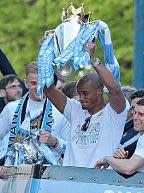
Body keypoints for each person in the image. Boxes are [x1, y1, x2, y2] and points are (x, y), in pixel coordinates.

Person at [44, 41, 128, 169]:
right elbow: (48, 89)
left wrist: (92, 60)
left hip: (98, 181)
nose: (81, 98)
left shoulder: (114, 112)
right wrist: (46, 53)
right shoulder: (75, 109)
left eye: (85, 93)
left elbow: (114, 88)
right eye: (79, 93)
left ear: (100, 91)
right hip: (69, 180)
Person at [0, 62, 67, 176]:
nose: (39, 87)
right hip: (14, 176)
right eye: (33, 83)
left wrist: (55, 142)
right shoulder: (12, 108)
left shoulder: (61, 110)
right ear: (26, 83)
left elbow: (72, 149)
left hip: (47, 177)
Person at [95, 97, 144, 175]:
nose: (135, 117)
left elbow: (128, 169)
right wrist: (121, 161)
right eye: (135, 112)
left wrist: (107, 159)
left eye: (141, 114)